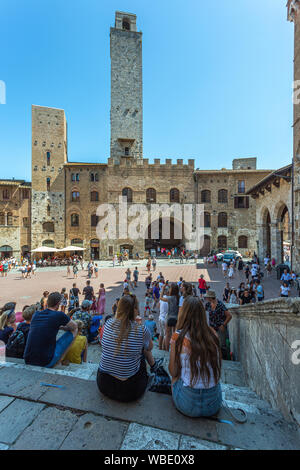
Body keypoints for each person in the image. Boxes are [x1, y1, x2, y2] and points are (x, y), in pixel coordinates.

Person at [97, 295, 160, 402]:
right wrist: (138, 326)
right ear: (135, 310)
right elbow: (150, 347)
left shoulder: (107, 323)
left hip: (103, 384)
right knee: (143, 350)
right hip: (131, 391)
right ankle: (155, 369)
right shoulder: (141, 329)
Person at [169, 296, 222, 418]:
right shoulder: (213, 335)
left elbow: (173, 371)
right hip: (213, 405)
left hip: (187, 404)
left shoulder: (178, 337)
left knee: (175, 378)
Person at [24, 292, 78, 367]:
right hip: (45, 361)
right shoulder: (59, 315)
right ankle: (59, 361)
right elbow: (74, 326)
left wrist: (59, 326)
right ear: (58, 303)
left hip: (28, 359)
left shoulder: (36, 314)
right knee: (75, 330)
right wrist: (64, 328)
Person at [205, 290, 232, 358]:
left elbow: (229, 316)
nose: (206, 299)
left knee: (222, 346)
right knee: (212, 345)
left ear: (211, 297)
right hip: (211, 329)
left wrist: (223, 325)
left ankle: (224, 361)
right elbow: (203, 313)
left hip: (220, 329)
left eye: (207, 297)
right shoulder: (208, 304)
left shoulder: (220, 304)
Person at [160, 283, 179, 351]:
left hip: (169, 318)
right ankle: (174, 349)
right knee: (174, 334)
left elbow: (161, 298)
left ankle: (167, 349)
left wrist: (162, 289)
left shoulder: (170, 298)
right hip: (176, 318)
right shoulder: (179, 297)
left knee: (167, 334)